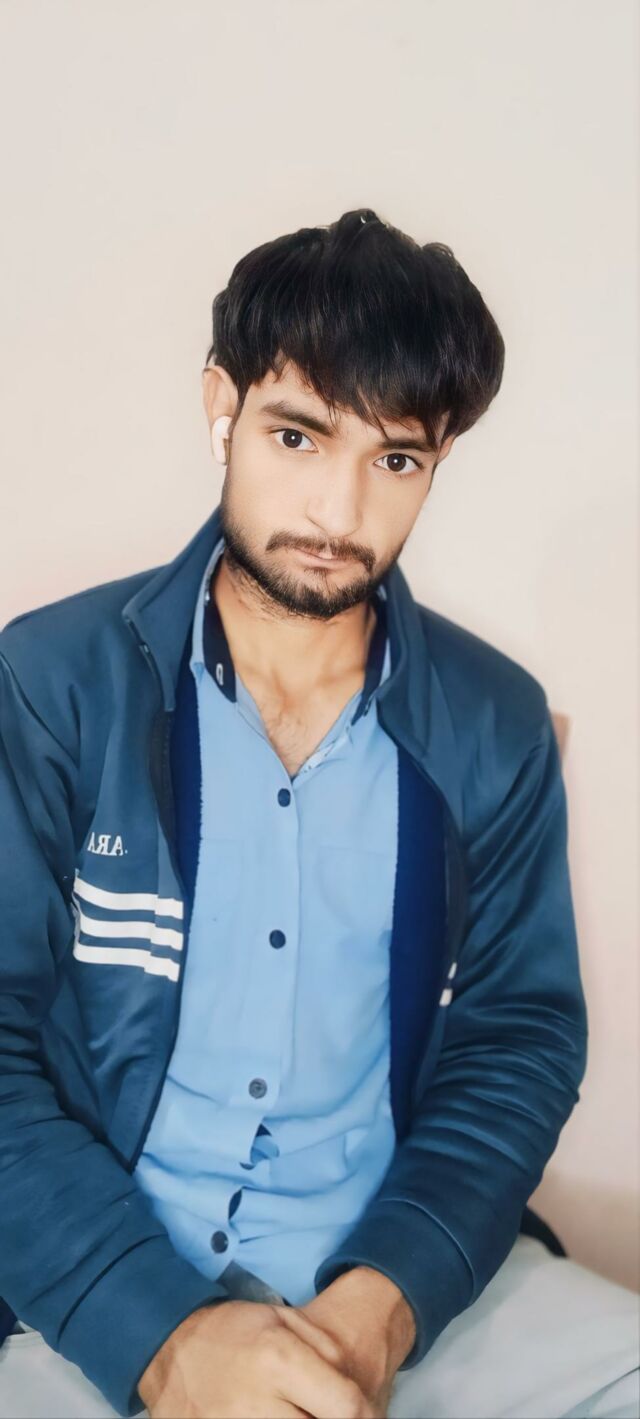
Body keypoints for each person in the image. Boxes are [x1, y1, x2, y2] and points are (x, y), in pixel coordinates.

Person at [0, 209, 637, 1419]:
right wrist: (167, 1340)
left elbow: (518, 1040)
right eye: (298, 436)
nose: (339, 512)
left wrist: (383, 1305)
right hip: (98, 1289)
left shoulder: (493, 723)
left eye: (395, 460)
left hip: (390, 1287)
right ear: (221, 409)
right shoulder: (54, 685)